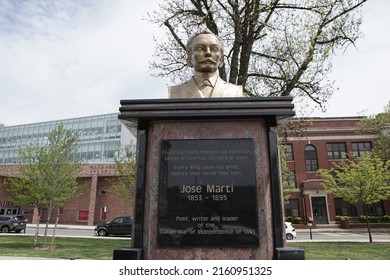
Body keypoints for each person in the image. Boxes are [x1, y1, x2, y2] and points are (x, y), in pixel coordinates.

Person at [168, 29, 243, 98]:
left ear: (221, 60)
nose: (208, 53)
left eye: (214, 49)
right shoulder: (175, 92)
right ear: (189, 58)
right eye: (200, 49)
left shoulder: (235, 91)